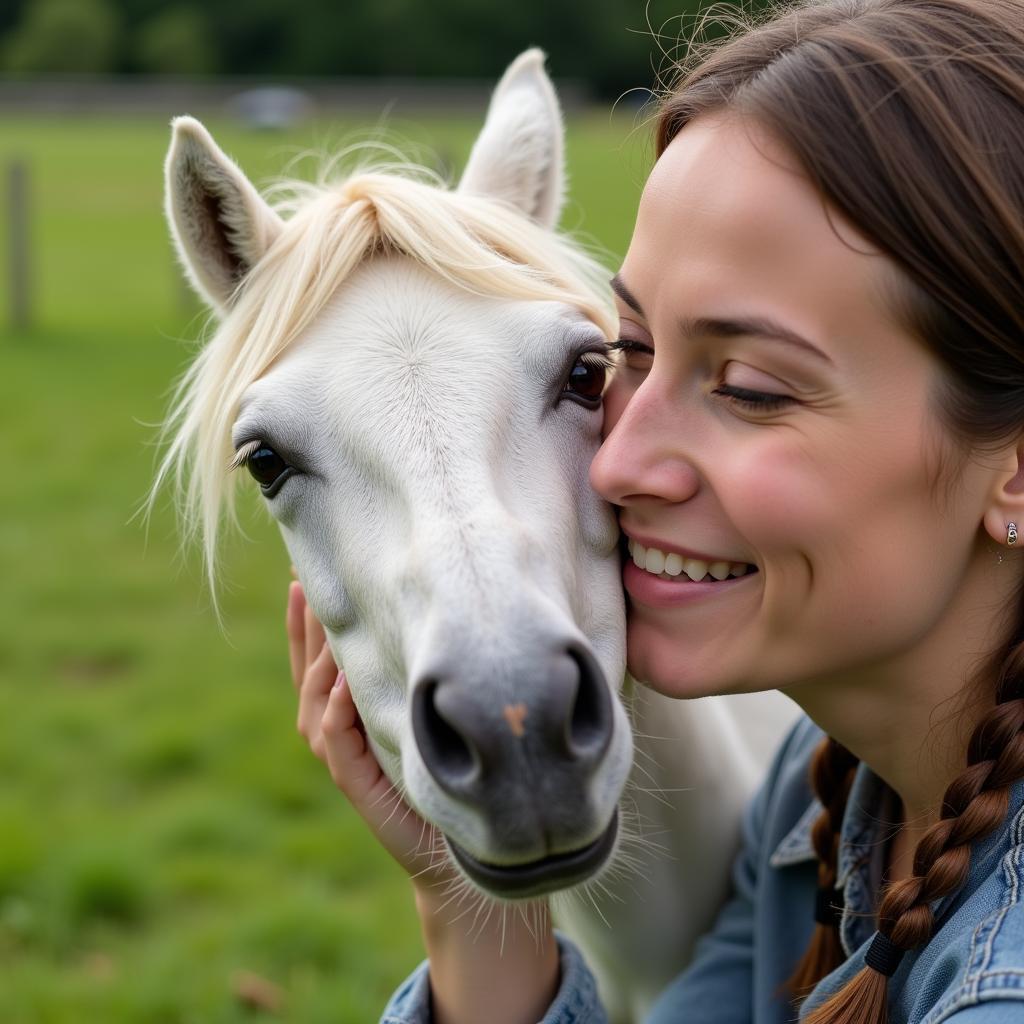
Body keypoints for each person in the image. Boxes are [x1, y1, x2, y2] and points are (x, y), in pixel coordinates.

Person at [287, 0, 1024, 1020]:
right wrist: (469, 879)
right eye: (618, 359)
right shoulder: (825, 799)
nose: (615, 461)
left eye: (752, 387)